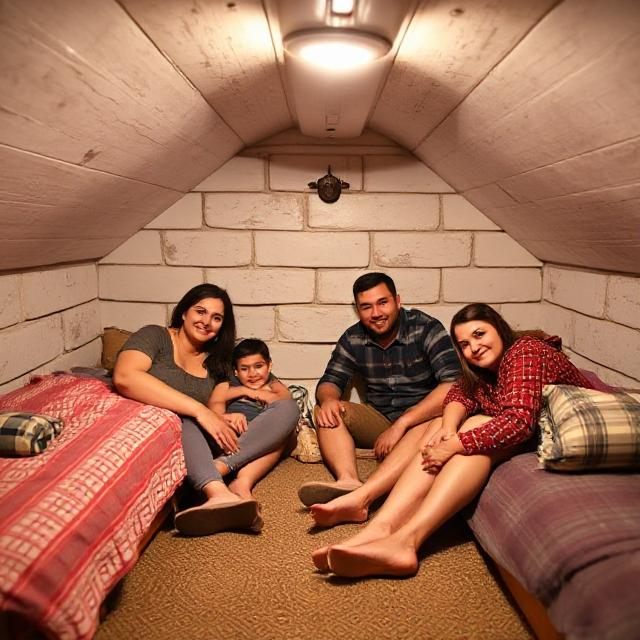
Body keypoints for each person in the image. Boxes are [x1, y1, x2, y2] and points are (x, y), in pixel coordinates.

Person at [310, 302, 596, 577]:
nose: (474, 347)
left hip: (567, 428)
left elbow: (518, 422)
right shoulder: (484, 367)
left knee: (474, 427)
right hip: (532, 427)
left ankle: (406, 541)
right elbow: (459, 393)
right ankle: (376, 525)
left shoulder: (524, 351)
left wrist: (454, 444)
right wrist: (447, 429)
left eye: (480, 334)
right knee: (436, 424)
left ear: (499, 328)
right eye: (464, 344)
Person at [113, 284, 298, 537]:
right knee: (183, 418)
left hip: (213, 436)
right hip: (180, 428)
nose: (207, 322)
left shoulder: (220, 358)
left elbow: (277, 392)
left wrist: (227, 414)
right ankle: (218, 493)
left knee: (288, 409)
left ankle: (223, 470)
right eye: (200, 312)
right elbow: (125, 376)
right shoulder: (155, 336)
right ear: (184, 312)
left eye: (216, 318)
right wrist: (199, 410)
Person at [298, 272, 461, 507]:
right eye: (366, 307)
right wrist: (329, 399)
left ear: (397, 301)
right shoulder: (353, 337)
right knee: (326, 411)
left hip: (422, 420)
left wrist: (402, 423)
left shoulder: (426, 328)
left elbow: (453, 385)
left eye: (383, 302)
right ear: (358, 310)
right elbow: (330, 381)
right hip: (380, 418)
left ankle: (369, 494)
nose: (376, 313)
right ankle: (349, 481)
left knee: (432, 422)